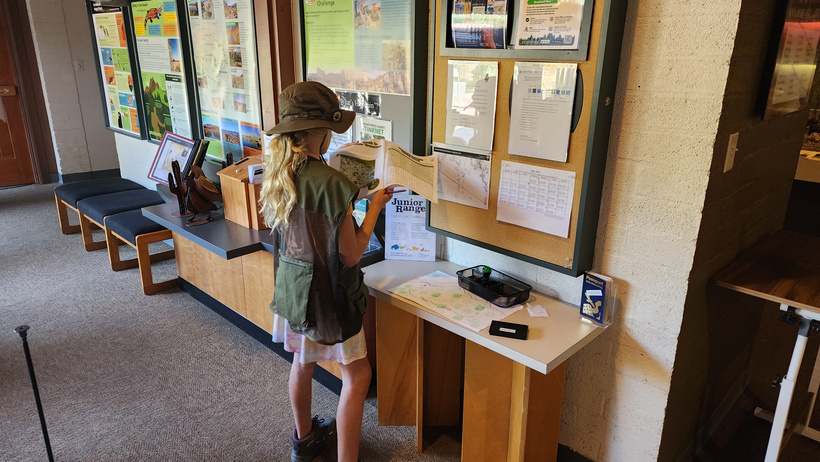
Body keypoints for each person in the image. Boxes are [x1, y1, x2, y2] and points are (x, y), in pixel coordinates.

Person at [258, 81, 397, 462]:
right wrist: (374, 207)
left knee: (302, 362)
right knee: (358, 376)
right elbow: (351, 256)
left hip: (295, 289)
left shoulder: (279, 172)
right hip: (330, 299)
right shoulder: (334, 183)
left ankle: (303, 442)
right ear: (321, 133)